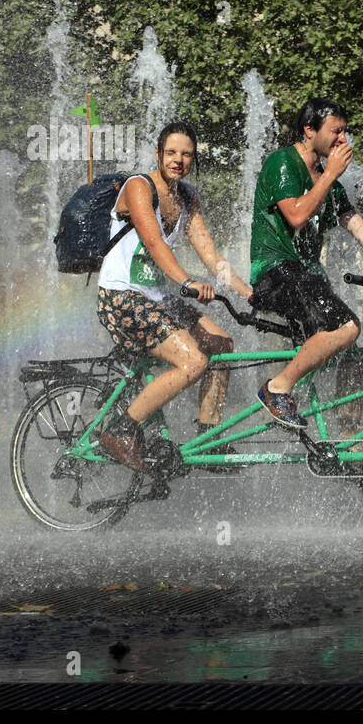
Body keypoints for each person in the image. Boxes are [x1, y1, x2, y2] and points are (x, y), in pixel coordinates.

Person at [95, 122, 254, 475]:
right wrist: (187, 282)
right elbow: (154, 243)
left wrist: (248, 292)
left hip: (156, 301)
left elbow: (211, 256)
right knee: (194, 362)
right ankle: (121, 430)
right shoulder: (140, 187)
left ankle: (208, 433)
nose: (178, 160)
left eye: (186, 154)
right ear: (158, 154)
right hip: (122, 299)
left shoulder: (186, 197)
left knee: (221, 343)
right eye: (171, 153)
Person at [250, 97, 363, 430]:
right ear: (309, 131)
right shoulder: (283, 163)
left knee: (353, 353)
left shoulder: (331, 184)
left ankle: (346, 442)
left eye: (345, 132)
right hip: (275, 274)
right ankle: (276, 388)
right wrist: (331, 176)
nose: (343, 140)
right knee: (347, 326)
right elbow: (296, 215)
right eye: (336, 132)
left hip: (306, 278)